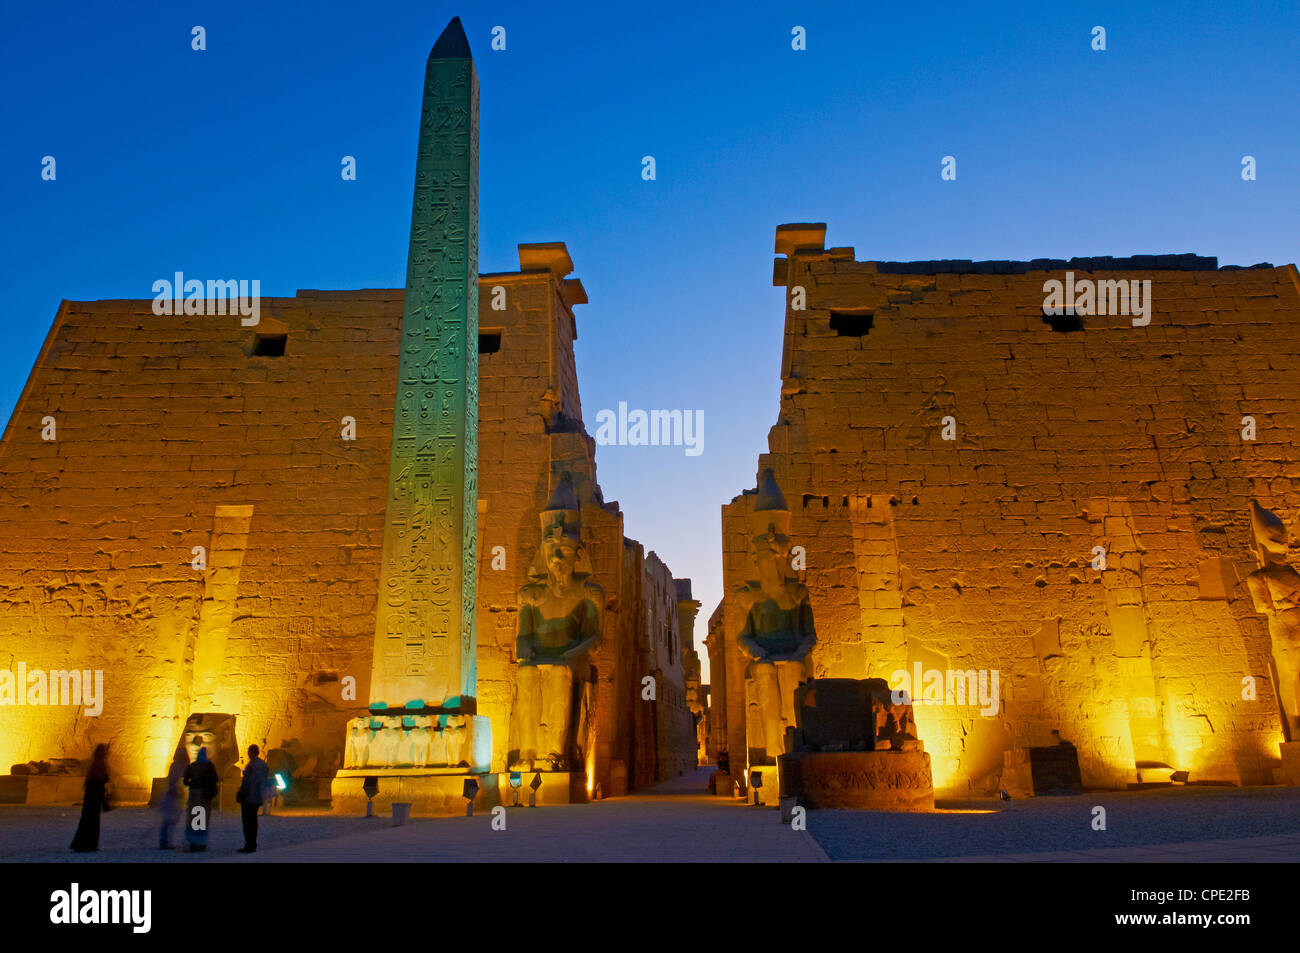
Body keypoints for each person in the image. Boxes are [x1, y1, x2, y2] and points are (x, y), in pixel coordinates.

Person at [70, 744, 110, 853]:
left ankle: (81, 844)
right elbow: (101, 779)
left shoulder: (94, 764)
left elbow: (90, 780)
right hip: (95, 796)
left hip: (90, 796)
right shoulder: (100, 764)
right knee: (92, 821)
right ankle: (88, 845)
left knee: (86, 820)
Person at [183, 747, 219, 852]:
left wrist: (193, 783)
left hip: (194, 794)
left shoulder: (192, 766)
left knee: (193, 817)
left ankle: (193, 843)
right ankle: (201, 842)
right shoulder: (209, 766)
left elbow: (185, 781)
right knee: (202, 818)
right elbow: (215, 779)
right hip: (204, 795)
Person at [237, 744, 270, 853]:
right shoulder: (264, 765)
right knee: (253, 821)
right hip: (258, 797)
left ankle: (249, 845)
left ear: (251, 752)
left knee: (247, 822)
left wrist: (241, 793)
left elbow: (247, 782)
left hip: (249, 797)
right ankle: (253, 844)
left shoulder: (251, 766)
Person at [158, 747, 190, 849]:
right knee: (169, 821)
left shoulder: (175, 766)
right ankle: (165, 842)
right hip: (174, 796)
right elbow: (178, 781)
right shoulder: (179, 767)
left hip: (173, 796)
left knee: (169, 821)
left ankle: (166, 841)